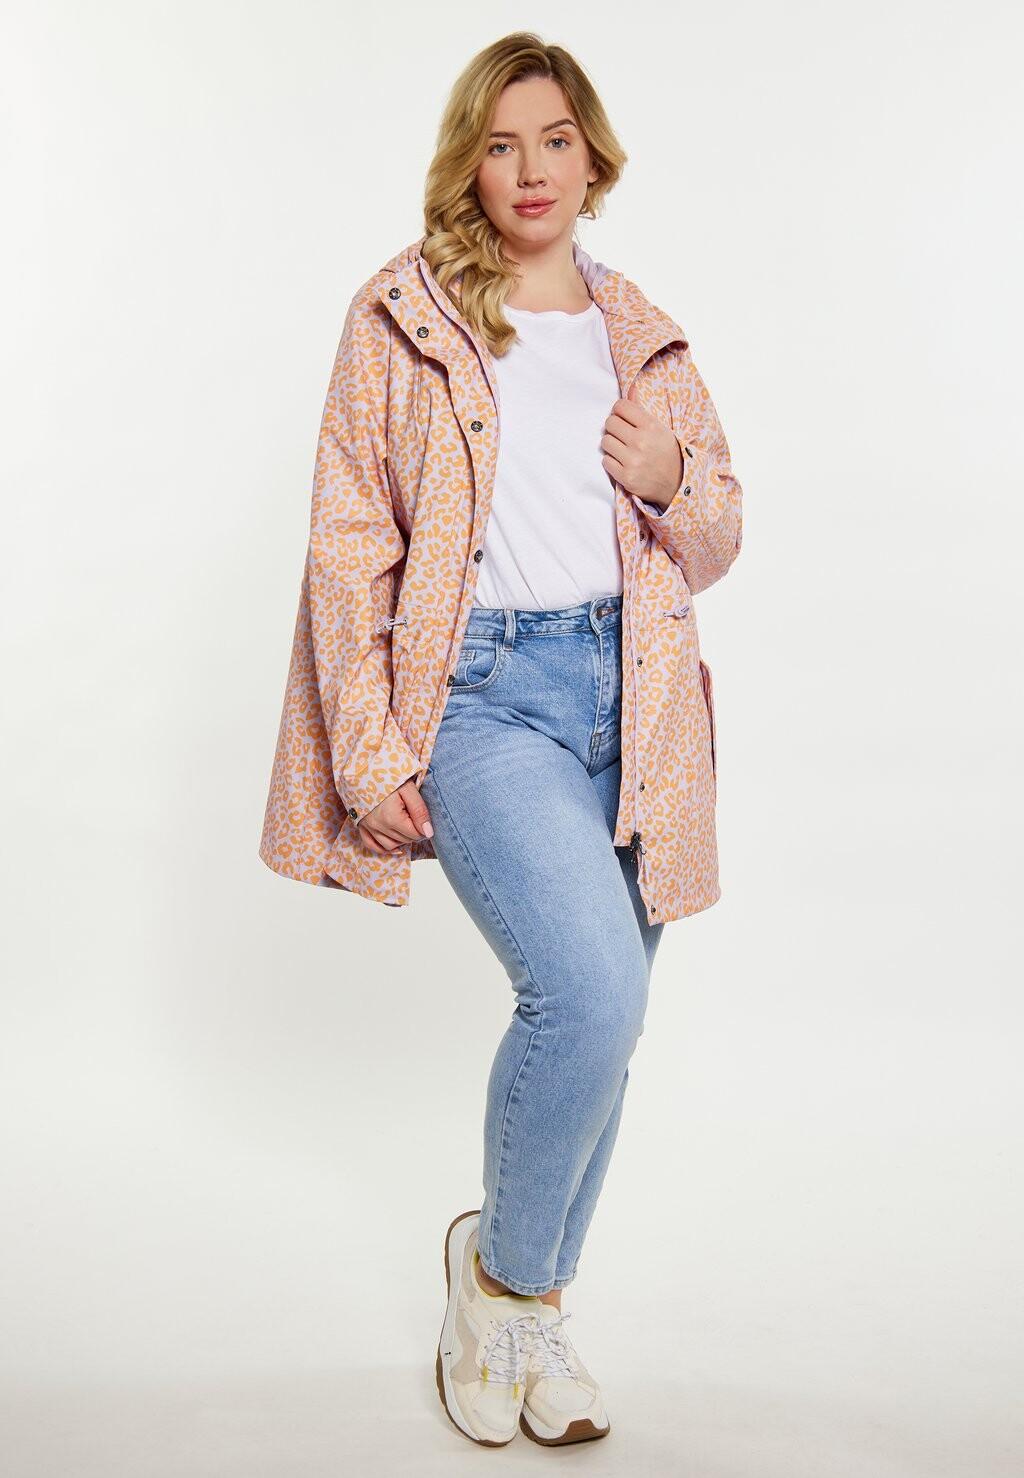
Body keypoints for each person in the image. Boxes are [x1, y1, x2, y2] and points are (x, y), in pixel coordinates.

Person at [259, 31, 743, 1449]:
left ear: (593, 157)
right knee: (584, 993)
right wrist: (368, 743)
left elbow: (719, 533)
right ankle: (499, 1284)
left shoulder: (643, 334)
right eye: (499, 143)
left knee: (614, 1021)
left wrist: (672, 479)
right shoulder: (404, 316)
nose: (530, 169)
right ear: (468, 165)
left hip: (635, 701)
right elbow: (349, 540)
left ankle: (530, 1312)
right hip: (479, 697)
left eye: (555, 139)